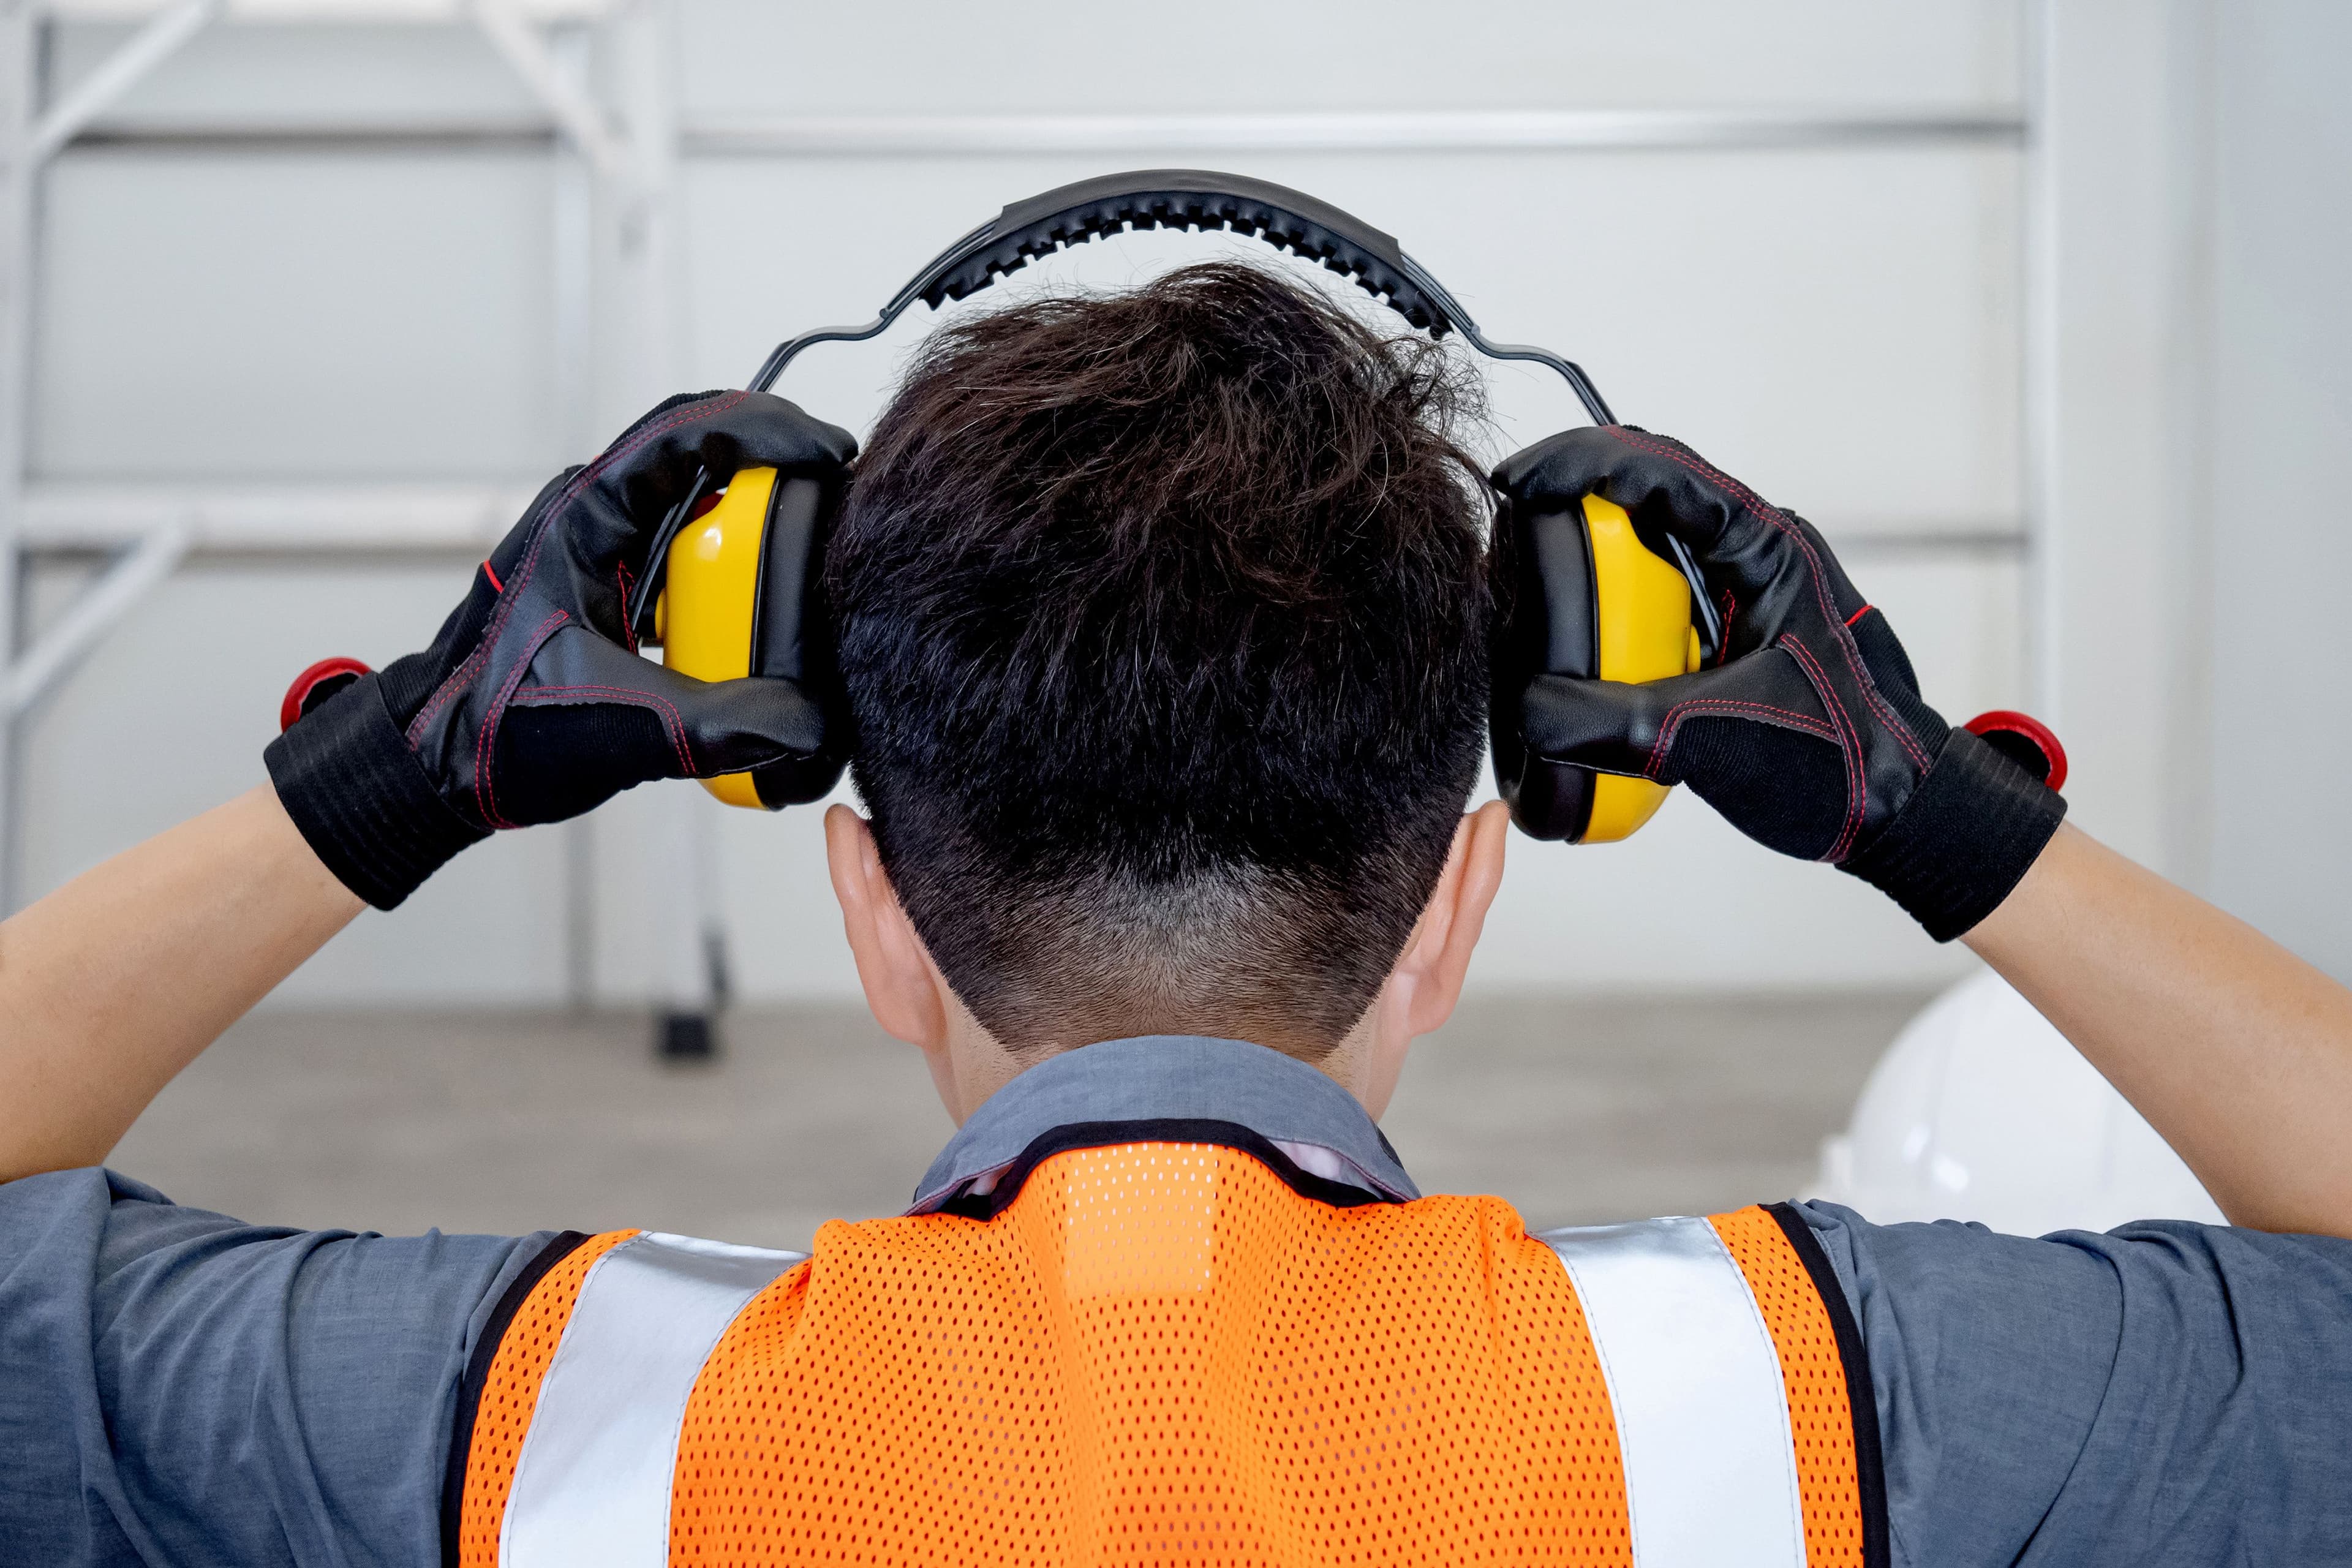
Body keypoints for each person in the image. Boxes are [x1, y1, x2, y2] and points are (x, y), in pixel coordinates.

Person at [1, 263, 2346, 1568]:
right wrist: (1937, 811)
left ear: (872, 915)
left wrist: (395, 766)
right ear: (1456, 906)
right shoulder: (1798, 1400)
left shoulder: (544, 1424)